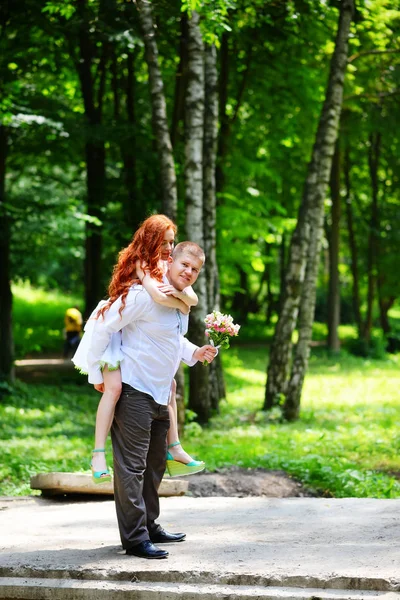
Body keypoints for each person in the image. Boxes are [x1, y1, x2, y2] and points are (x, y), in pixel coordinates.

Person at [86, 241, 217, 558]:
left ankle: (150, 525)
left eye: (195, 270)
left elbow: (173, 338)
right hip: (133, 391)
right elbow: (104, 323)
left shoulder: (181, 304)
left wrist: (195, 353)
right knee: (132, 469)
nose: (189, 272)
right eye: (184, 264)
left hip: (160, 393)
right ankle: (134, 538)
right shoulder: (145, 296)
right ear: (170, 261)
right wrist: (98, 373)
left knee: (155, 465)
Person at [72, 215, 204, 483]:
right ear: (152, 239)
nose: (169, 248)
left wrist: (183, 300)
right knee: (114, 389)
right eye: (165, 242)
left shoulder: (164, 263)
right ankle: (98, 453)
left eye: (172, 242)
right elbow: (155, 296)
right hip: (113, 333)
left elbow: (192, 296)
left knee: (171, 386)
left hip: (129, 330)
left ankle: (174, 446)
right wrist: (95, 373)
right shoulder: (141, 263)